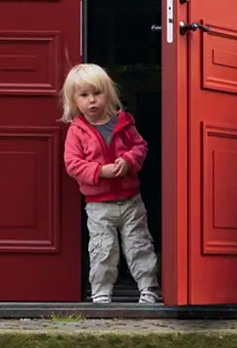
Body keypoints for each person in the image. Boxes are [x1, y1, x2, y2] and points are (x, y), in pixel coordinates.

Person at [61, 63, 162, 305]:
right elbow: (72, 164)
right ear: (74, 101)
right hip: (99, 205)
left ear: (109, 93)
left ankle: (148, 288)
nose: (92, 101)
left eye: (97, 93)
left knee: (139, 244)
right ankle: (101, 293)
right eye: (84, 95)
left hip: (130, 200)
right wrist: (100, 171)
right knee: (103, 249)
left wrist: (128, 161)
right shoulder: (77, 131)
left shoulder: (124, 123)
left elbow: (141, 147)